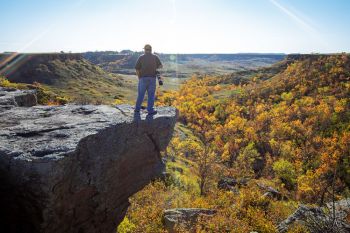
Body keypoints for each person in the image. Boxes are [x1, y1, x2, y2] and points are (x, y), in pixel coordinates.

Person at [134, 44, 163, 115]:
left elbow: (137, 68)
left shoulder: (141, 57)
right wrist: (154, 67)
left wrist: (139, 77)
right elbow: (161, 66)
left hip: (143, 78)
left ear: (145, 50)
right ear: (151, 50)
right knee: (151, 95)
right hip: (152, 79)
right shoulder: (155, 57)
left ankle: (137, 109)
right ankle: (150, 110)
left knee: (141, 94)